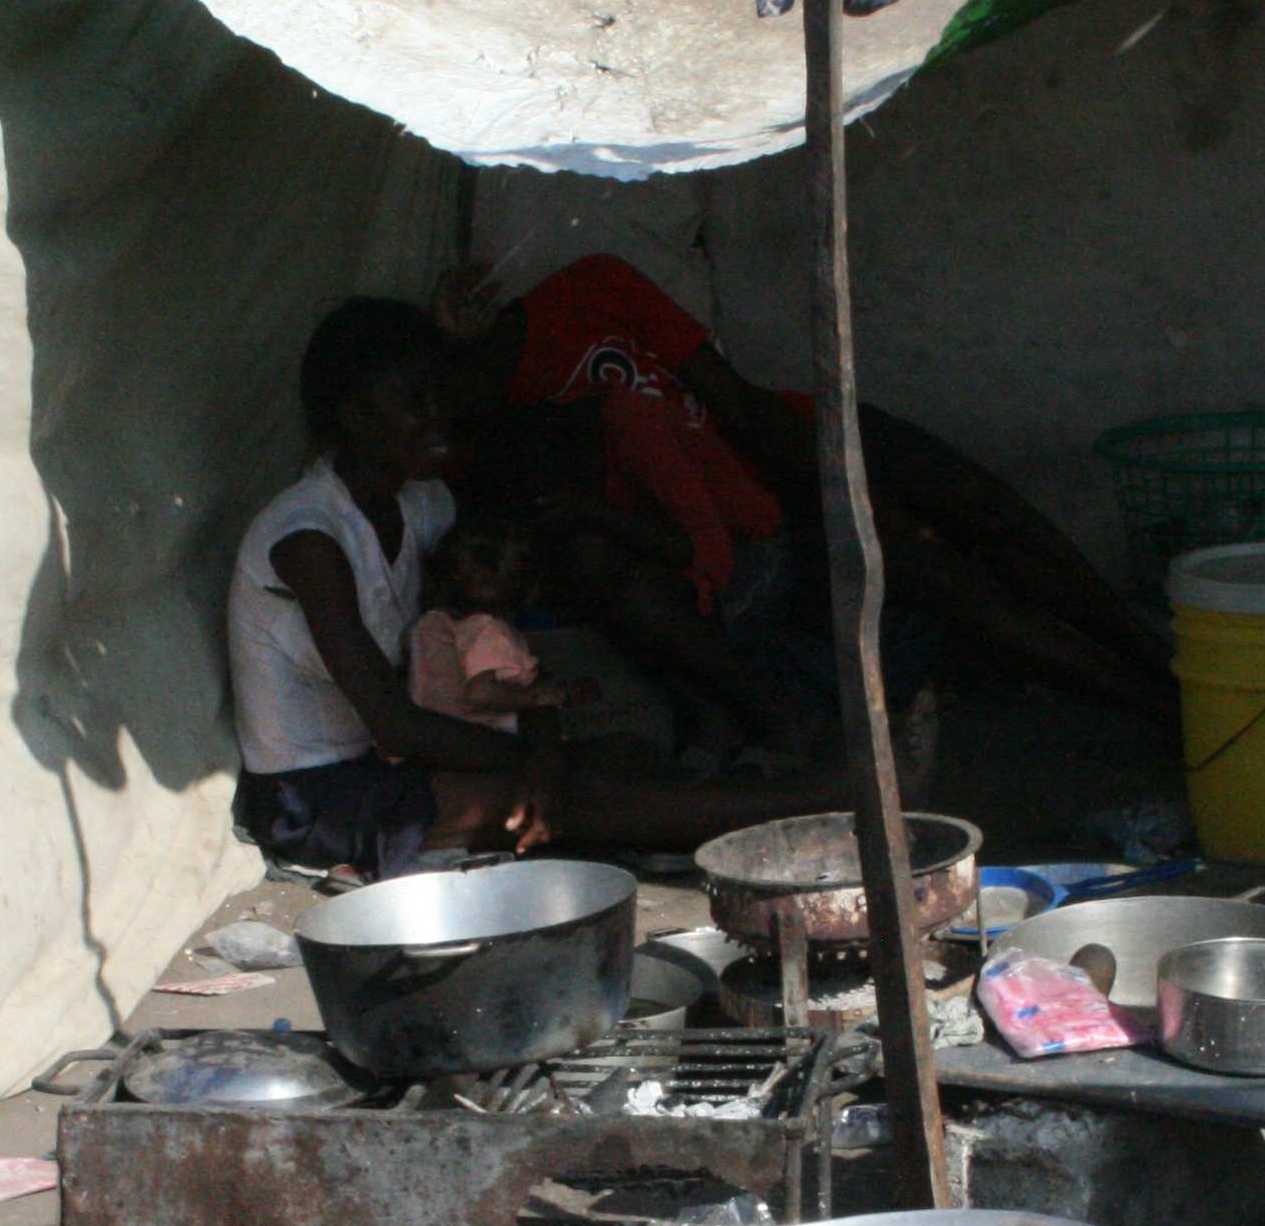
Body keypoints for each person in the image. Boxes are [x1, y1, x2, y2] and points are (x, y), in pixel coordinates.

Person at [228, 297, 842, 875]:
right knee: (572, 798)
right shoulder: (308, 539)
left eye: (439, 397)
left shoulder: (419, 505)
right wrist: (539, 761)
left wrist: (543, 741)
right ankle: (844, 802)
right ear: (356, 418)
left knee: (616, 759)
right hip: (315, 797)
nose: (437, 417)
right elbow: (395, 725)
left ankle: (804, 801)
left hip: (388, 762)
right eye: (416, 403)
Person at [437, 253, 1172, 713]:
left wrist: (849, 490)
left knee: (972, 501)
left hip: (785, 440)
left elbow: (738, 401)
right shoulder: (492, 443)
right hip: (751, 532)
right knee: (926, 570)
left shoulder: (590, 290)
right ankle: (1151, 704)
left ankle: (1152, 655)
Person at [409, 515, 596, 736]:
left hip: (429, 733)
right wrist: (539, 697)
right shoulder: (492, 632)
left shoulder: (433, 622)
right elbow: (481, 694)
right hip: (477, 738)